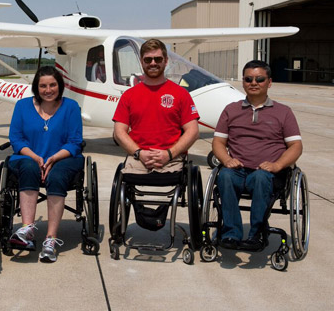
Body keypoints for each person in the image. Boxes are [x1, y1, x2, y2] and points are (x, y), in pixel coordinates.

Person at [212, 60, 302, 250]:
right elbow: (218, 143)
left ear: (269, 82)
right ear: (243, 82)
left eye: (259, 79)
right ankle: (231, 233)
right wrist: (227, 160)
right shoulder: (231, 110)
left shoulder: (283, 112)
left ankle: (257, 233)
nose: (254, 83)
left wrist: (277, 165)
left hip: (268, 173)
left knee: (261, 177)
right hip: (237, 170)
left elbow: (295, 146)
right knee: (225, 176)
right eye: (248, 79)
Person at [8, 66, 84, 263]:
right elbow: (16, 139)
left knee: (58, 176)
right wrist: (35, 157)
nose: (48, 90)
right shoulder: (22, 106)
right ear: (36, 87)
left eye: (52, 85)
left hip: (63, 158)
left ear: (60, 86)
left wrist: (53, 158)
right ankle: (27, 230)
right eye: (43, 86)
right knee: (29, 168)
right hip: (28, 157)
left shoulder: (71, 107)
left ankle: (50, 239)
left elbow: (75, 141)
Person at [113, 38, 199, 174]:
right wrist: (139, 153)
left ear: (166, 61)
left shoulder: (181, 94)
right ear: (141, 62)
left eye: (158, 59)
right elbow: (119, 132)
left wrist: (169, 154)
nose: (153, 63)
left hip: (172, 159)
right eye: (148, 60)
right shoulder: (128, 96)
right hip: (138, 159)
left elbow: (193, 131)